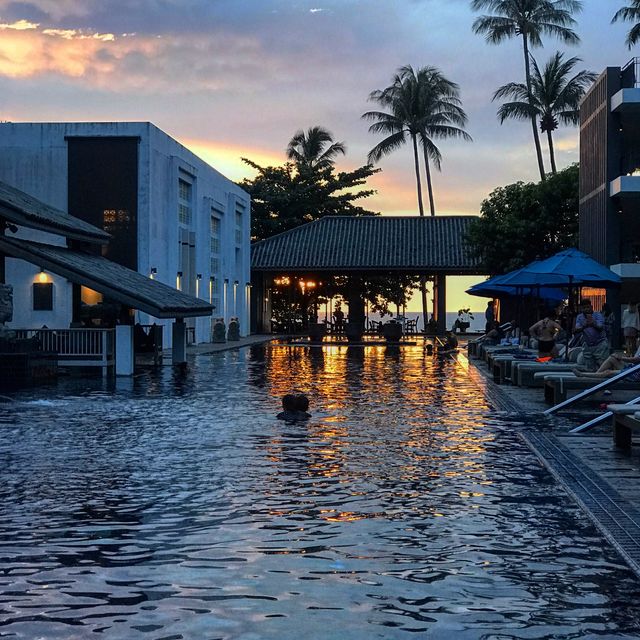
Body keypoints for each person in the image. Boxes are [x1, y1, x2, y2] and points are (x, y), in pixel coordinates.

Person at [573, 299, 608, 371]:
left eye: (588, 307)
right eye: (584, 308)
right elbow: (576, 329)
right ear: (581, 309)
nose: (586, 309)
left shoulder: (597, 314)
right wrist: (584, 325)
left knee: (602, 365)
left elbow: (600, 327)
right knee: (589, 367)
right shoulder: (579, 317)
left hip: (600, 343)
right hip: (587, 344)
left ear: (591, 307)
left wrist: (593, 323)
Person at [574, 347, 640, 380]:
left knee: (608, 372)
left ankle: (582, 374)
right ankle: (596, 375)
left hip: (635, 373)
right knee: (612, 358)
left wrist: (621, 358)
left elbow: (635, 360)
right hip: (632, 368)